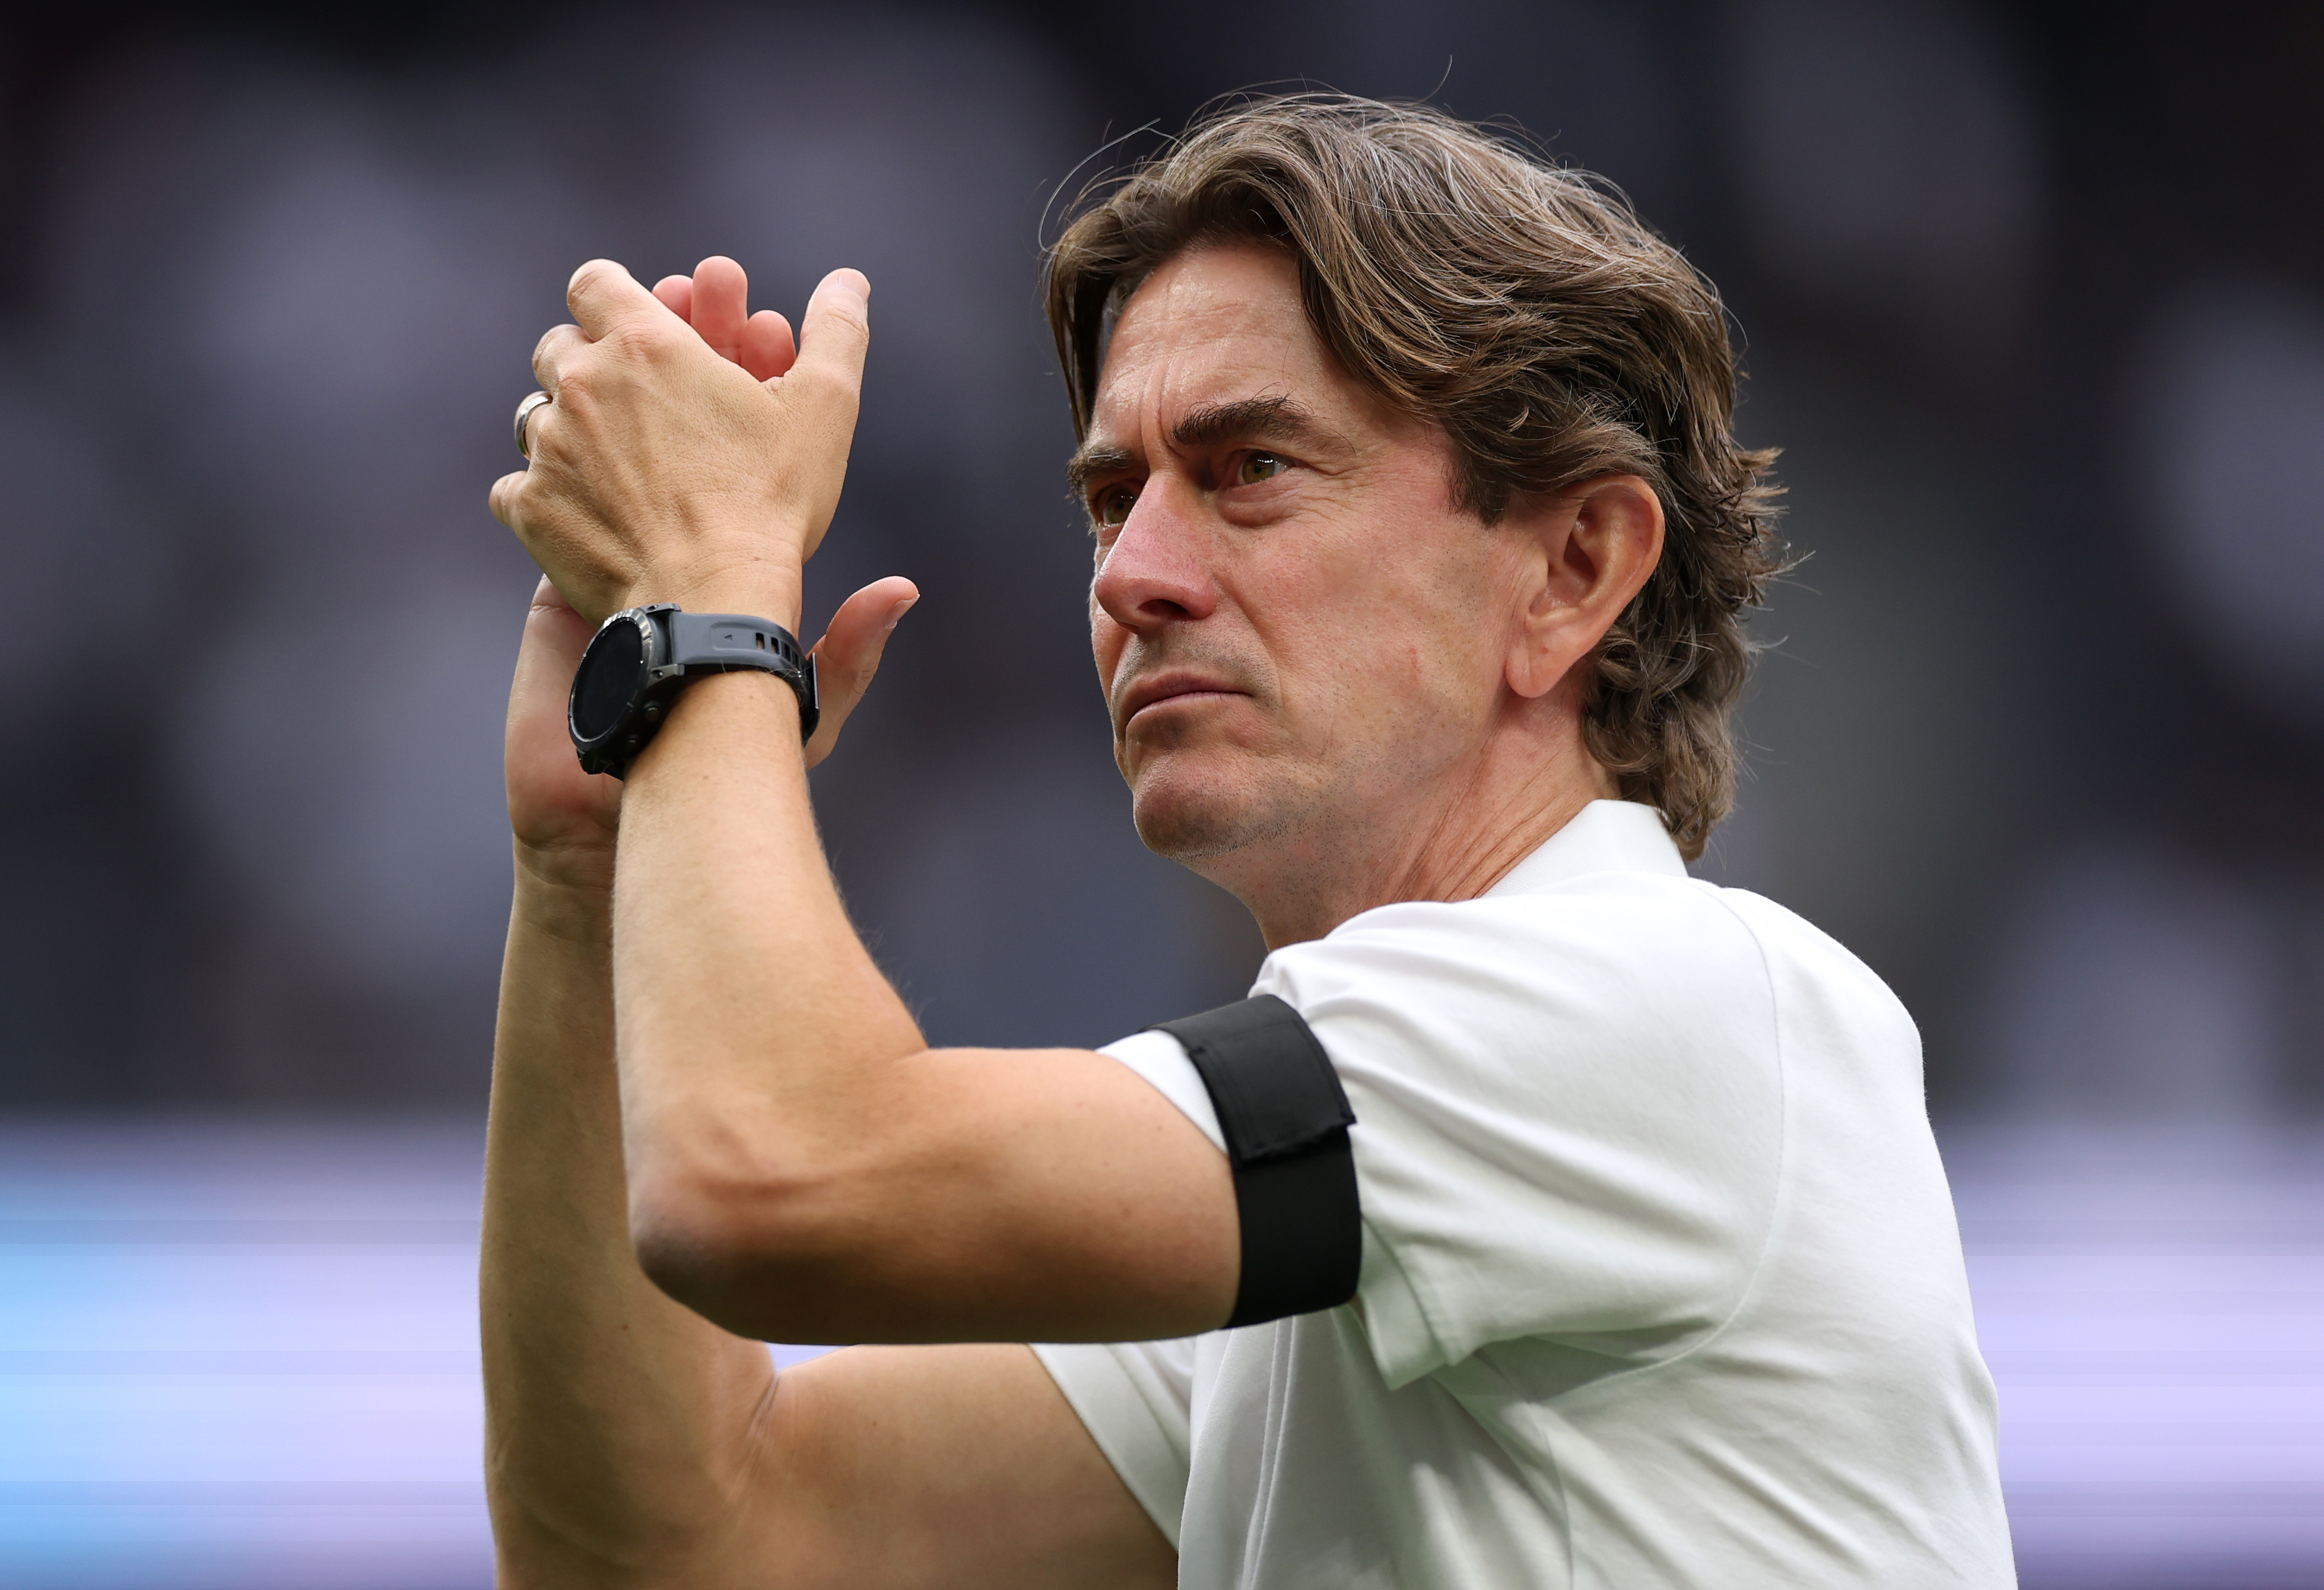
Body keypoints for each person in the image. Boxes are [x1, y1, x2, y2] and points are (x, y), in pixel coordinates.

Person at [480, 94, 2014, 1587]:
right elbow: (682, 1545)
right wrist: (597, 870)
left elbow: (773, 1182)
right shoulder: (1366, 1201)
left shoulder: (1655, 998)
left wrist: (707, 597)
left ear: (1574, 565)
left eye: (1250, 471)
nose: (1133, 574)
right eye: (1109, 496)